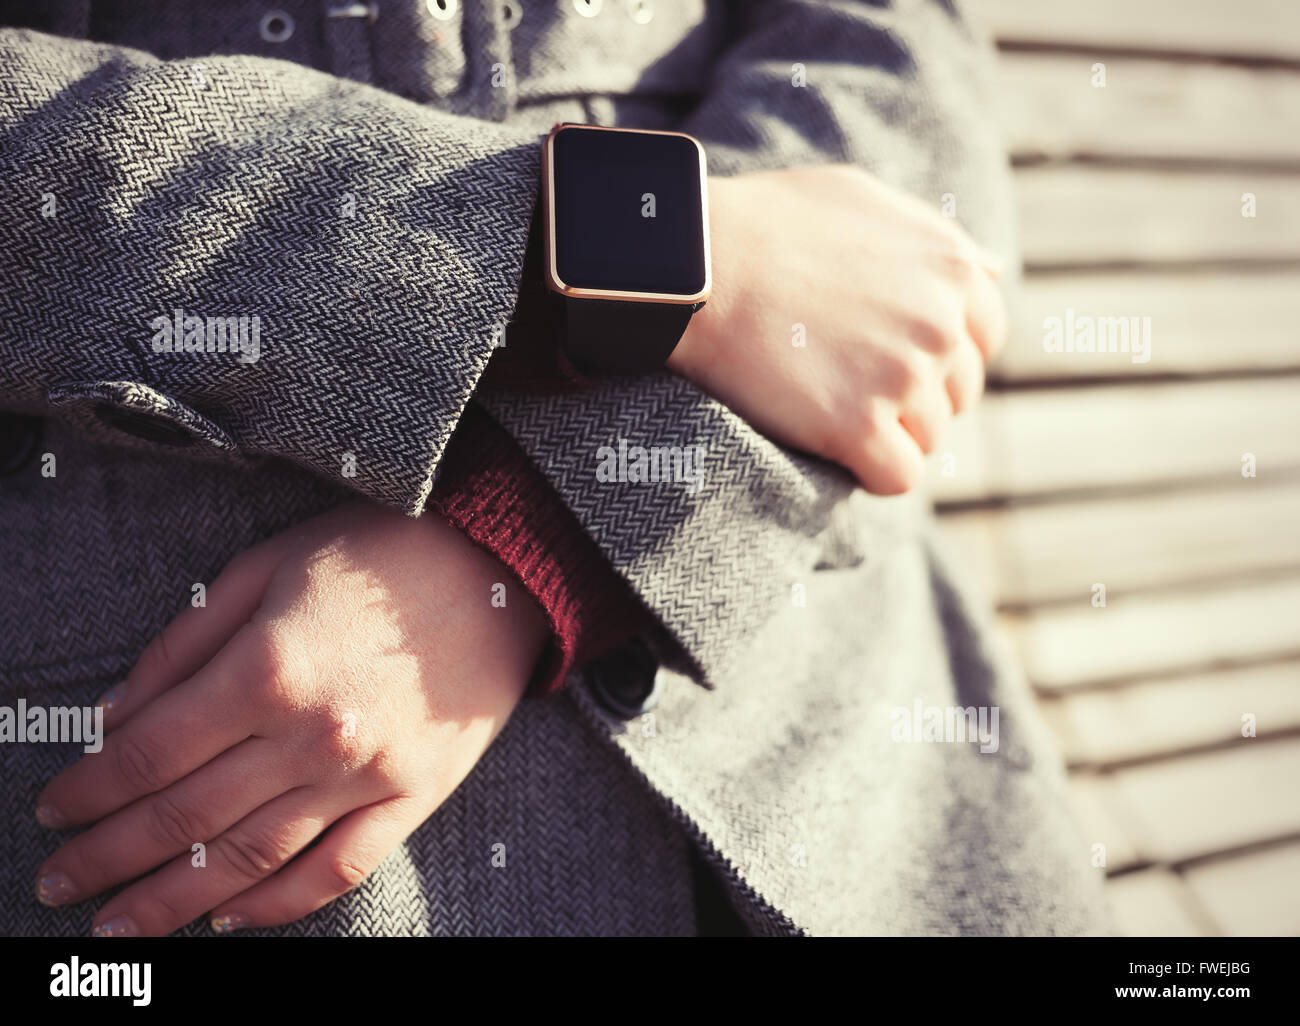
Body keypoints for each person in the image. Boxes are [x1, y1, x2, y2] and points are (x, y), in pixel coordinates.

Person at [1, 0, 1107, 936]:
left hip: (845, 720)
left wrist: (535, 530)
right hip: (230, 754)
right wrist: (567, 240)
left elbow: (896, 72)